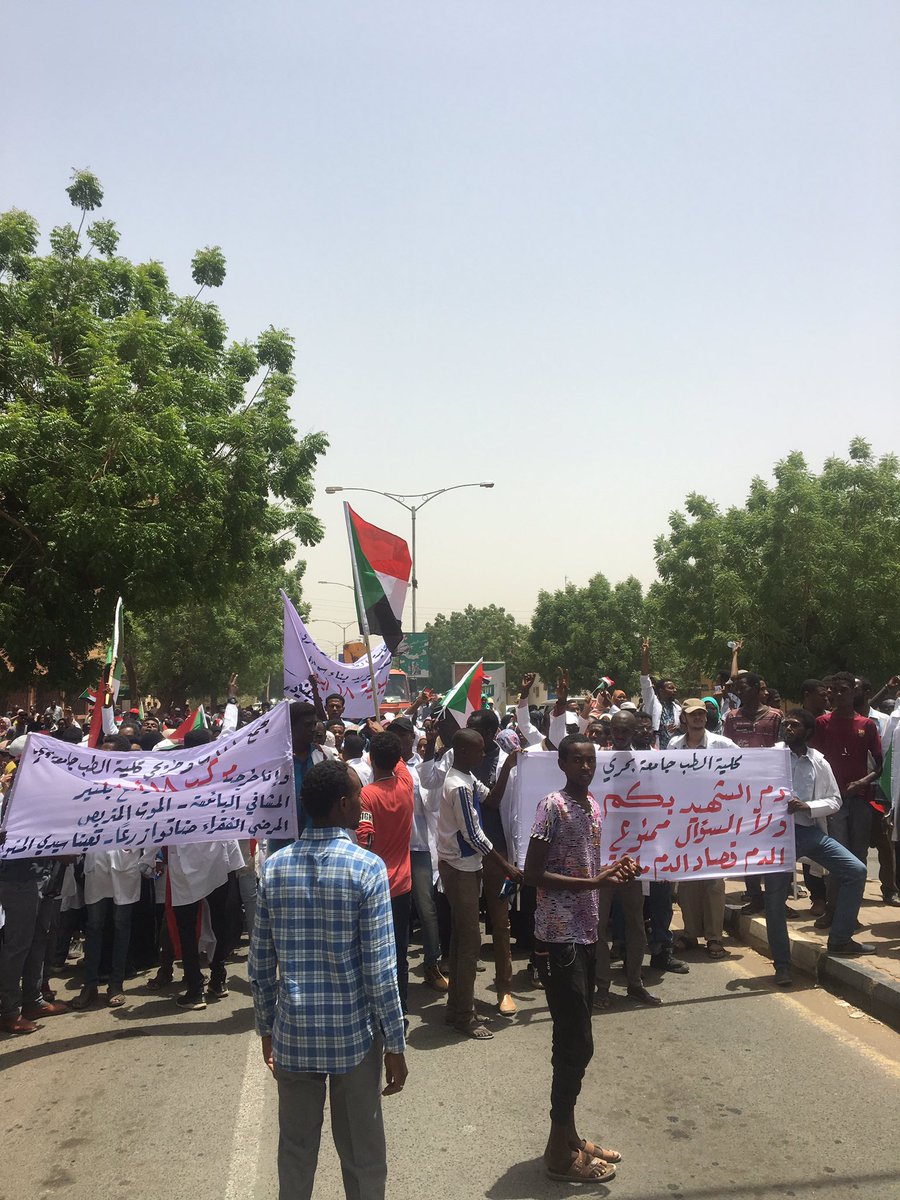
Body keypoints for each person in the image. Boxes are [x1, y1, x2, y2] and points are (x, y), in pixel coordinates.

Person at [250, 759, 407, 1200]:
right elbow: (380, 969)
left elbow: (261, 964)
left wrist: (266, 1027)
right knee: (363, 1154)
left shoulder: (275, 868)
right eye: (358, 796)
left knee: (295, 1151)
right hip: (353, 1036)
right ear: (343, 805)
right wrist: (395, 1042)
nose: (363, 803)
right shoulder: (367, 868)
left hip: (294, 1033)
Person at [524, 734, 640, 1184]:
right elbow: (534, 873)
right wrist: (596, 884)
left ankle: (568, 1134)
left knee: (573, 1037)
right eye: (577, 759)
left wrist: (612, 871)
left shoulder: (592, 804)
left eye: (591, 759)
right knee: (576, 1040)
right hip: (558, 936)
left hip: (586, 932)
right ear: (562, 763)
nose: (586, 765)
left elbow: (587, 865)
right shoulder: (550, 806)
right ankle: (557, 1152)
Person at [764, 710, 870, 986]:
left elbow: (835, 800)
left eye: (794, 725)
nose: (788, 728)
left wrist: (807, 807)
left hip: (807, 832)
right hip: (775, 837)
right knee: (775, 900)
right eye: (785, 724)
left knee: (855, 871)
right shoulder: (769, 756)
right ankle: (782, 965)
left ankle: (840, 939)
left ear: (808, 732)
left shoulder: (818, 762)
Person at [437, 728, 521, 1039]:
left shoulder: (469, 779)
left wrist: (509, 767)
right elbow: (473, 835)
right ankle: (465, 1015)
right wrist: (506, 866)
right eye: (479, 751)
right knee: (469, 944)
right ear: (462, 752)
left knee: (462, 940)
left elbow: (493, 800)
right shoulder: (458, 785)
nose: (483, 755)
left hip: (465, 866)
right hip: (459, 867)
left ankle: (456, 1008)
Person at [595, 712, 662, 1005]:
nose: (620, 733)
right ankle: (602, 987)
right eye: (616, 729)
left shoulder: (651, 763)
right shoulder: (595, 761)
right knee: (598, 925)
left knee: (636, 922)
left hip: (634, 855)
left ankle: (634, 982)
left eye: (626, 729)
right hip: (601, 858)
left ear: (636, 731)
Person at [811, 671, 883, 928]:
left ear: (854, 692)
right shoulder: (822, 723)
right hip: (834, 800)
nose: (839, 694)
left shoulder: (867, 725)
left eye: (844, 690)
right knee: (837, 855)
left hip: (861, 798)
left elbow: (879, 765)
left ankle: (850, 915)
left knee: (859, 856)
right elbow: (815, 761)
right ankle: (832, 910)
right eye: (835, 690)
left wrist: (862, 782)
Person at [669, 699, 738, 958]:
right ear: (684, 719)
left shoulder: (724, 745)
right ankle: (690, 933)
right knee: (687, 881)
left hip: (715, 820)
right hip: (684, 820)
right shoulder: (673, 746)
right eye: (692, 714)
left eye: (701, 713)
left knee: (713, 881)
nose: (698, 717)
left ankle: (714, 938)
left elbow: (742, 772)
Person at [357, 730, 414, 1014]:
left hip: (374, 889)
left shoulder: (366, 796)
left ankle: (375, 1013)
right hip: (403, 887)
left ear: (369, 759)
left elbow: (364, 839)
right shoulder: (406, 783)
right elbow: (400, 761)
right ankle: (399, 1012)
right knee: (399, 955)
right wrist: (387, 735)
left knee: (372, 955)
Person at [723, 672, 782, 914]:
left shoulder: (776, 716)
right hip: (741, 793)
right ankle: (755, 896)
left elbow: (782, 750)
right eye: (736, 687)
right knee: (747, 843)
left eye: (743, 686)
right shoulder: (731, 717)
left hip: (770, 790)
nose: (739, 691)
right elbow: (725, 754)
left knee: (774, 843)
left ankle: (777, 899)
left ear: (757, 688)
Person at [268, 702, 327, 854]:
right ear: (291, 727)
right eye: (307, 725)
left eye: (314, 724)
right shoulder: (274, 759)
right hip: (281, 843)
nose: (313, 729)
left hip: (316, 842)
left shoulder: (323, 756)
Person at [639, 637, 681, 749]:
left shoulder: (677, 708)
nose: (675, 690)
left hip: (674, 749)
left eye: (675, 688)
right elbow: (645, 680)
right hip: (656, 747)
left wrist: (678, 728)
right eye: (671, 688)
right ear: (661, 690)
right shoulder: (652, 704)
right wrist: (645, 657)